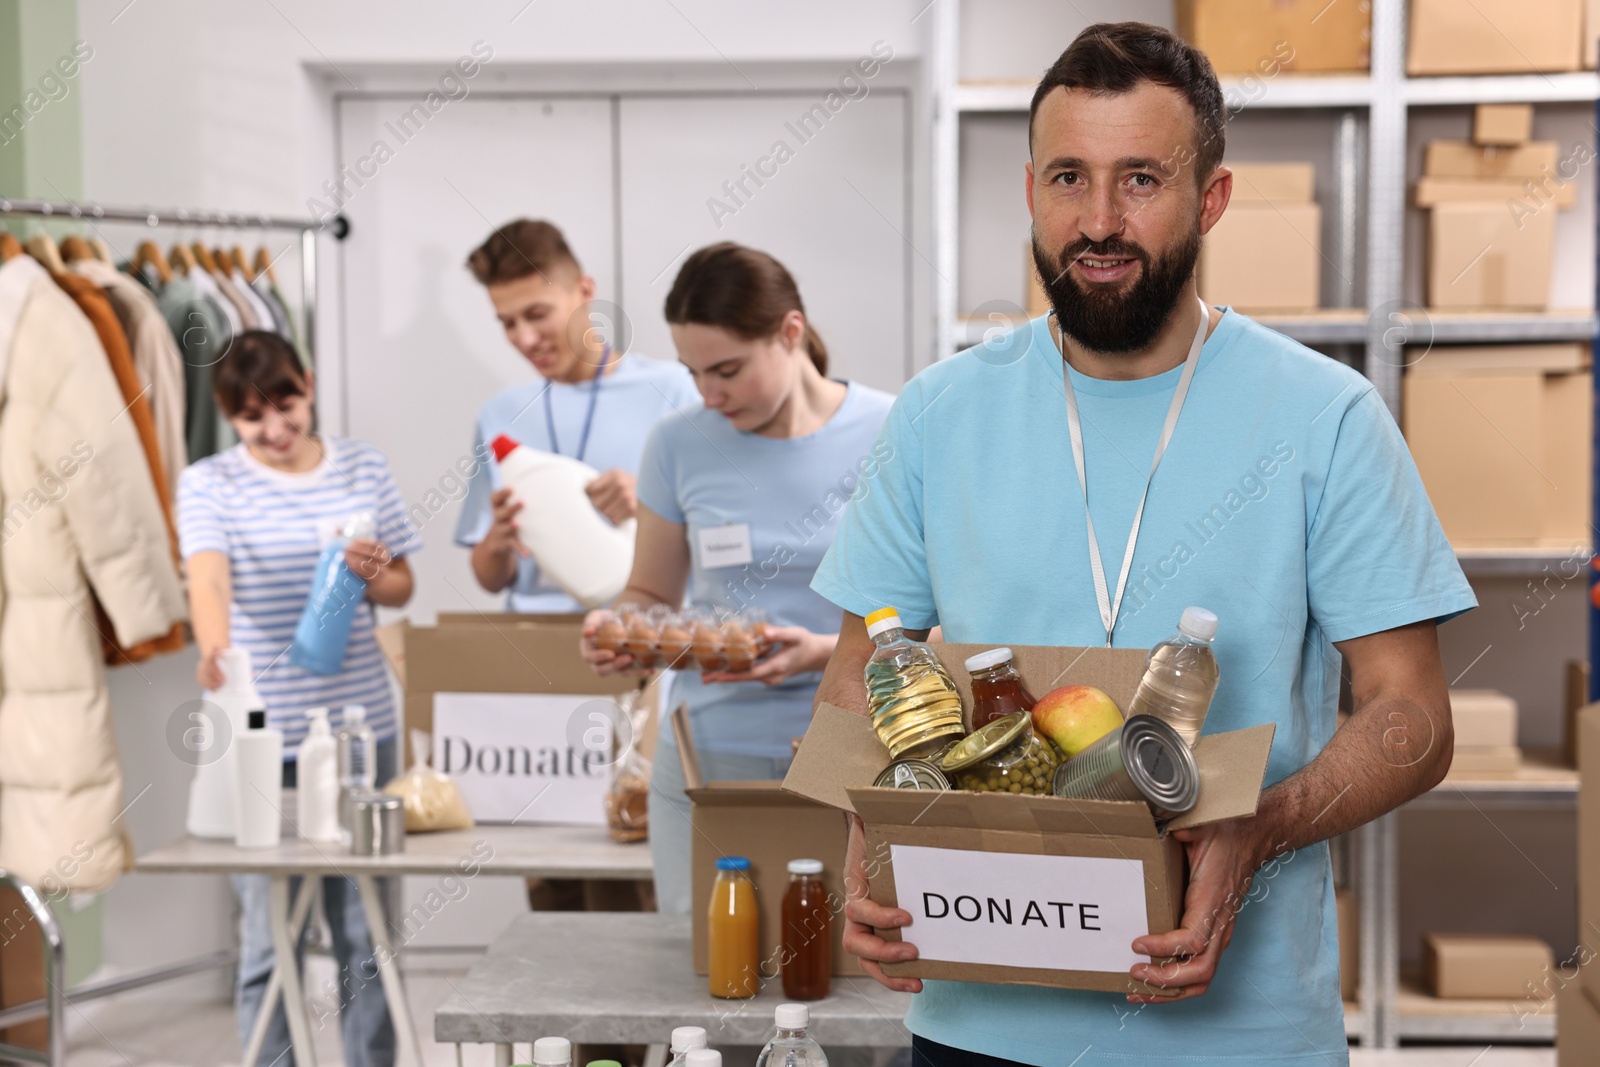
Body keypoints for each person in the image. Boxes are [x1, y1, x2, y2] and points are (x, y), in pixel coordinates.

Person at [809, 22, 1476, 1067]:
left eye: (1141, 180)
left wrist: (1263, 821)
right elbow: (859, 667)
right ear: (1030, 190)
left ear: (1209, 197)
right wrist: (867, 837)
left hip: (1242, 1036)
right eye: (1069, 178)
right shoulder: (940, 415)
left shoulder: (1325, 416)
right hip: (979, 1022)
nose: (1099, 220)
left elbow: (1413, 717)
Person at [581, 242, 894, 913]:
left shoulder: (893, 429)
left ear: (791, 331)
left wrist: (827, 655)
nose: (708, 394)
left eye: (726, 369)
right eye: (693, 373)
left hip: (854, 751)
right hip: (707, 756)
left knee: (848, 977)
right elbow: (653, 593)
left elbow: (939, 608)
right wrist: (620, 626)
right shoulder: (678, 443)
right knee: (702, 968)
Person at [178, 331, 419, 1067]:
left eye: (287, 404)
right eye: (253, 419)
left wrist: (373, 572)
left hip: (359, 730)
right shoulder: (210, 481)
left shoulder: (362, 465)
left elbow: (403, 585)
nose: (277, 430)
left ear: (308, 383)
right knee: (267, 933)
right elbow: (209, 575)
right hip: (262, 735)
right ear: (230, 417)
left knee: (366, 930)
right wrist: (214, 646)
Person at [456, 218, 702, 612]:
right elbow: (490, 577)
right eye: (507, 323)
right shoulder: (500, 413)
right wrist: (497, 541)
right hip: (533, 643)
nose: (524, 339)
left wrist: (650, 504)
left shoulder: (673, 390)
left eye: (537, 314)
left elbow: (724, 537)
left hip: (638, 633)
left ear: (585, 291)